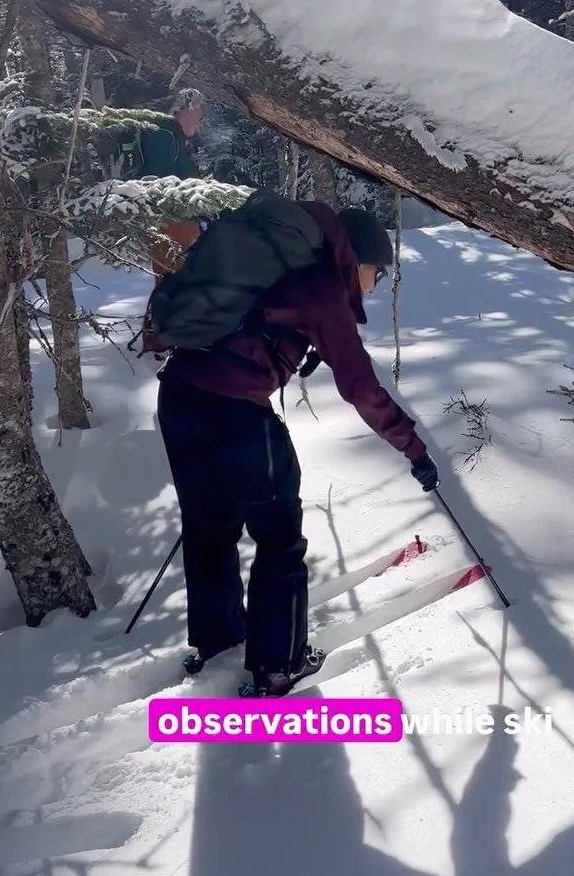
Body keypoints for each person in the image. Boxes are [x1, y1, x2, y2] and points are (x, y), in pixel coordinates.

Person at [156, 200, 439, 698]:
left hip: (178, 398)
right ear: (358, 259)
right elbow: (361, 388)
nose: (374, 286)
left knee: (208, 529)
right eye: (377, 273)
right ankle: (278, 665)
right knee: (279, 538)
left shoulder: (280, 267)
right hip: (236, 413)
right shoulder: (323, 288)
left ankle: (218, 640)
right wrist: (413, 449)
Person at [140, 88, 205, 353]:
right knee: (170, 281)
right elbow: (162, 183)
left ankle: (166, 338)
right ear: (185, 112)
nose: (200, 124)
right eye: (198, 117)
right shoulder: (163, 137)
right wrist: (194, 184)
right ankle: (161, 341)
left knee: (173, 280)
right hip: (168, 224)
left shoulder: (172, 137)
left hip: (175, 223)